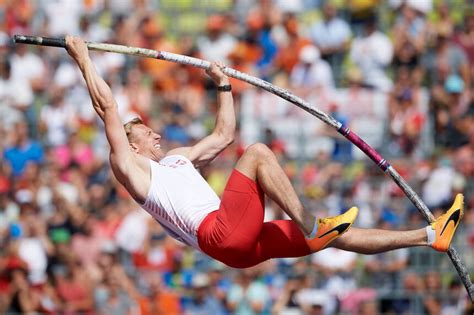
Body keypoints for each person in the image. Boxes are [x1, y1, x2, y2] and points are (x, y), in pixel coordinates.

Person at [65, 36, 463, 269]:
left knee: (334, 239)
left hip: (238, 242)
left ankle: (429, 236)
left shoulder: (176, 160)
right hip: (217, 233)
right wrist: (83, 57)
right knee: (256, 153)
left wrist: (222, 86)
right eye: (144, 133)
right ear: (130, 144)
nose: (154, 134)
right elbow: (107, 109)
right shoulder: (131, 168)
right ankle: (311, 224)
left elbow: (223, 136)